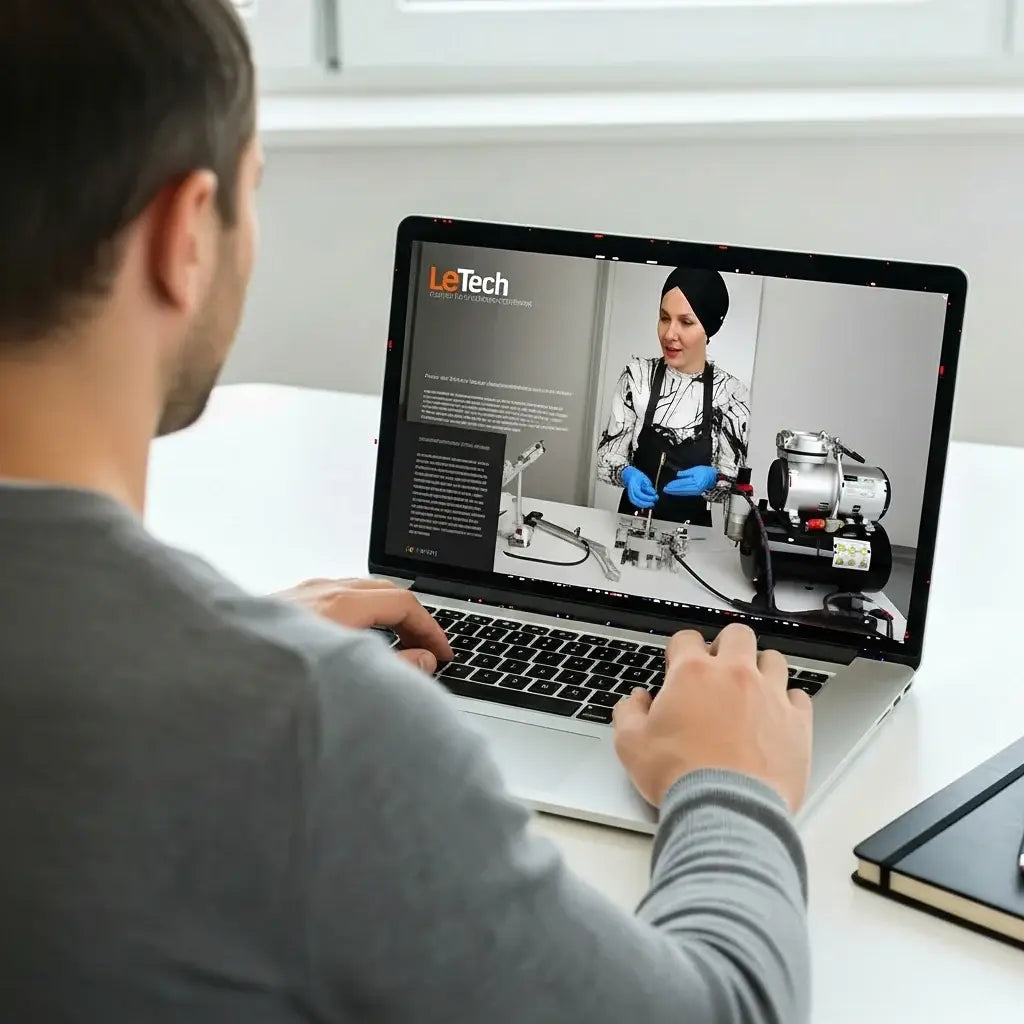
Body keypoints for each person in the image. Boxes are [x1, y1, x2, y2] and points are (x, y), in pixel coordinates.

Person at [0, 3, 813, 1022]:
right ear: (182, 236)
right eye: (252, 198)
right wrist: (732, 783)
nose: (671, 329)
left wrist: (224, 646)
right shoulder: (313, 732)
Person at [597, 267, 751, 526]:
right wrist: (627, 474)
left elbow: (735, 482)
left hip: (694, 537)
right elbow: (606, 458)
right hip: (632, 524)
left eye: (686, 322)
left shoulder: (730, 394)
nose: (669, 334)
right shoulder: (637, 378)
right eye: (664, 318)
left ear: (708, 328)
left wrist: (714, 478)